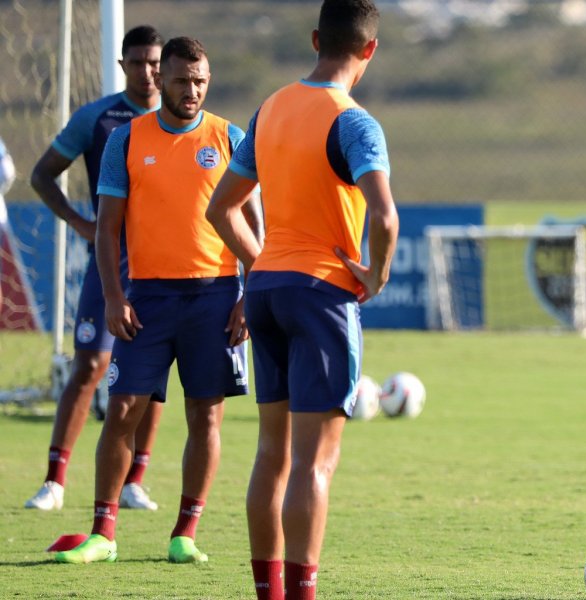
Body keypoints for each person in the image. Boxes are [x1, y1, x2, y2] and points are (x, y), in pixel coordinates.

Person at [205, 1, 397, 597]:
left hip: (265, 289)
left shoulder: (270, 109)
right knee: (315, 463)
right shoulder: (355, 121)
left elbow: (221, 208)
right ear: (369, 50)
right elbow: (385, 218)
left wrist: (259, 261)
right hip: (321, 295)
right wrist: (377, 274)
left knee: (272, 454)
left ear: (316, 38)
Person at [53, 35, 254, 566]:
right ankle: (103, 533)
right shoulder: (125, 139)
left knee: (204, 416)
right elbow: (107, 230)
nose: (193, 91)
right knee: (121, 408)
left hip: (216, 296)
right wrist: (115, 296)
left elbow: (257, 229)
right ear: (160, 78)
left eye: (201, 81)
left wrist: (248, 297)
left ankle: (185, 533)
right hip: (147, 298)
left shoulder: (231, 138)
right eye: (183, 80)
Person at [25, 25, 166, 512]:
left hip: (165, 267)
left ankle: (133, 482)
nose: (148, 73)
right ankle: (55, 482)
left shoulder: (184, 119)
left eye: (156, 63)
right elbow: (41, 175)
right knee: (89, 364)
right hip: (108, 263)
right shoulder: (97, 118)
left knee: (154, 376)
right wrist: (80, 224)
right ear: (123, 64)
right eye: (139, 62)